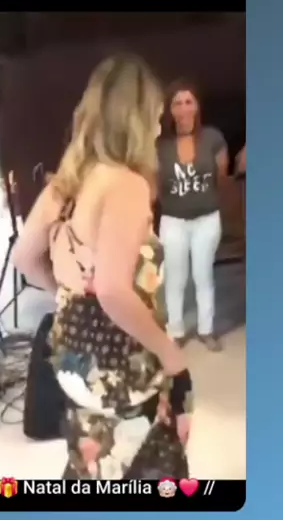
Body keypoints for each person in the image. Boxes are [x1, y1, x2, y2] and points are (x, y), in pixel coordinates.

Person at [13, 54, 193, 480]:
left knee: (93, 459)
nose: (159, 127)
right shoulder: (126, 184)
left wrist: (70, 295)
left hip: (72, 358)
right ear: (136, 119)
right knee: (150, 467)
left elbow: (23, 259)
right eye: (155, 117)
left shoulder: (67, 182)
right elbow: (112, 290)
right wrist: (172, 356)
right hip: (120, 365)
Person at [157, 79, 229, 352]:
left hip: (207, 220)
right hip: (173, 220)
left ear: (197, 106)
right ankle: (175, 331)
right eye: (177, 103)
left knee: (203, 276)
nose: (184, 108)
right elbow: (153, 185)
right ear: (170, 109)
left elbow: (222, 176)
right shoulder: (160, 145)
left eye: (189, 101)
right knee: (175, 278)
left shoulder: (213, 137)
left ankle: (206, 330)